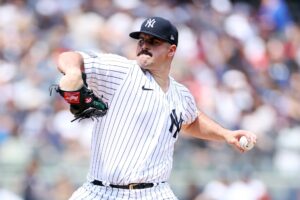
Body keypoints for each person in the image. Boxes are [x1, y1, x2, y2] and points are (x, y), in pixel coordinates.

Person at [53, 16, 257, 200]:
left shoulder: (181, 94)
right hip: (102, 191)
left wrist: (226, 134)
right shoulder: (122, 72)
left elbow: (191, 120)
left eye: (154, 41)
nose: (144, 45)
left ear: (171, 50)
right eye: (141, 40)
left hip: (155, 193)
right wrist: (72, 72)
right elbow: (69, 57)